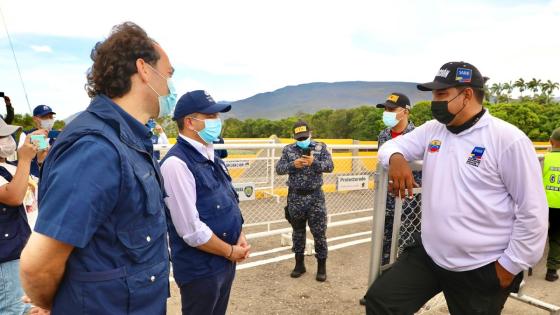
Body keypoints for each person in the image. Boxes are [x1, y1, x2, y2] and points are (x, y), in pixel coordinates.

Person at [364, 61, 548, 315]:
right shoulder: (434, 130)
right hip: (431, 254)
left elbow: (533, 210)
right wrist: (397, 159)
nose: (434, 101)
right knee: (381, 302)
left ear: (467, 95)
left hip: (481, 265)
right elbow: (389, 147)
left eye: (442, 94)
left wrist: (509, 266)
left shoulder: (507, 140)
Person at [19, 22, 176, 314]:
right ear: (144, 69)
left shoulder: (130, 140)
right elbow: (38, 265)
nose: (171, 86)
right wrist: (54, 304)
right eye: (168, 74)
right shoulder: (96, 149)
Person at [160, 90, 249, 315]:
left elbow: (229, 201)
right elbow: (191, 230)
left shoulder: (211, 155)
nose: (217, 122)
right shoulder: (176, 164)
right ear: (190, 122)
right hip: (201, 271)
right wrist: (230, 251)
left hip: (224, 261)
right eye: (211, 117)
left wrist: (240, 236)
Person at [276, 120, 334, 281]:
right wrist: (293, 164)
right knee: (298, 232)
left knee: (319, 233)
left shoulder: (320, 147)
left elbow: (330, 166)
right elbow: (279, 169)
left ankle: (321, 267)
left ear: (310, 134)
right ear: (294, 137)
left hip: (315, 197)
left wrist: (314, 162)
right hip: (295, 197)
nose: (302, 141)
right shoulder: (288, 150)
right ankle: (299, 265)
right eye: (299, 138)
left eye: (305, 137)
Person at [0, 118, 46, 314]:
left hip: (18, 250)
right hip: (6, 257)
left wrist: (40, 157)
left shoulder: (9, 167)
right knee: (13, 309)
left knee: (25, 307)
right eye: (2, 137)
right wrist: (25, 158)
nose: (8, 140)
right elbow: (14, 196)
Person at [376, 92, 422, 265]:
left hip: (409, 204)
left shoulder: (418, 136)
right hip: (385, 201)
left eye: (391, 109)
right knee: (382, 249)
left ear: (405, 112)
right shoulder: (383, 135)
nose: (387, 112)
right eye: (385, 109)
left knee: (405, 251)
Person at [17, 105, 59, 178]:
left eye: (51, 117)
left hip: (54, 177)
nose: (49, 120)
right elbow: (21, 156)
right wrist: (38, 138)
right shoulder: (26, 134)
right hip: (33, 177)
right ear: (35, 119)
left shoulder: (59, 135)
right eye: (45, 117)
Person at [543, 127, 560, 282]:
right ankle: (551, 271)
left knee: (531, 233)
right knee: (556, 237)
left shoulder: (544, 158)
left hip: (542, 205)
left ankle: (517, 270)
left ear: (551, 141)